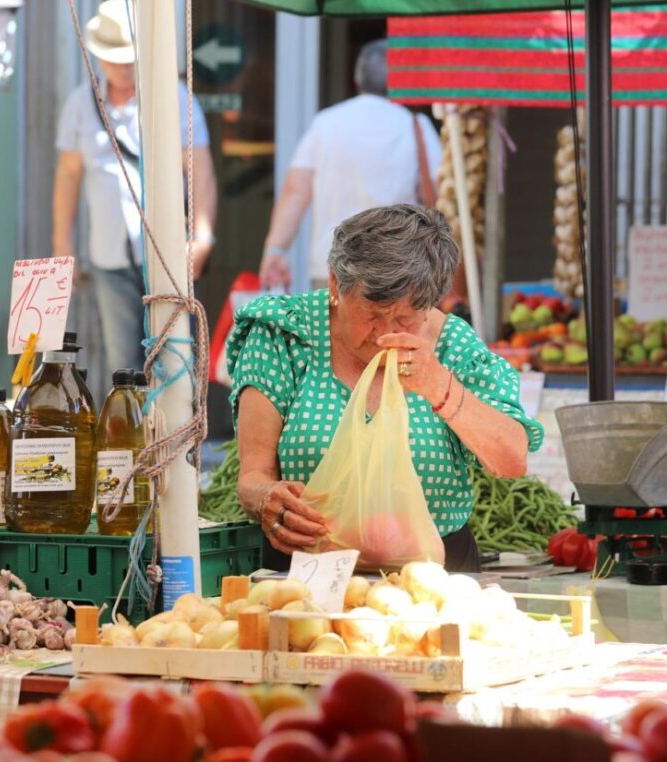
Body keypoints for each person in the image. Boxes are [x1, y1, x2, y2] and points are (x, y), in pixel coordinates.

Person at [230, 205, 543, 572]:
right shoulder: (284, 333)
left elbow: (512, 459)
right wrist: (266, 498)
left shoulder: (453, 346)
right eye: (373, 313)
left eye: (405, 318)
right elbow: (252, 476)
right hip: (305, 576)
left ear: (430, 306)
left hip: (432, 578)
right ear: (335, 283)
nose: (385, 332)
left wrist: (439, 386)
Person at [53, 0, 217, 373]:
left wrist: (203, 234)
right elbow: (67, 178)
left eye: (129, 58)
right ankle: (133, 431)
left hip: (167, 255)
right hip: (108, 253)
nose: (123, 68)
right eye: (114, 59)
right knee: (122, 364)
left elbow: (200, 172)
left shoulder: (174, 98)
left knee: (174, 359)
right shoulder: (80, 104)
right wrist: (63, 245)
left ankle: (174, 432)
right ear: (98, 57)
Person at [259, 39, 441, 291]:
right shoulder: (415, 127)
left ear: (357, 79)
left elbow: (295, 191)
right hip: (397, 270)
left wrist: (276, 250)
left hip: (333, 268)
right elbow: (439, 195)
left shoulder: (326, 123)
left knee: (330, 331)